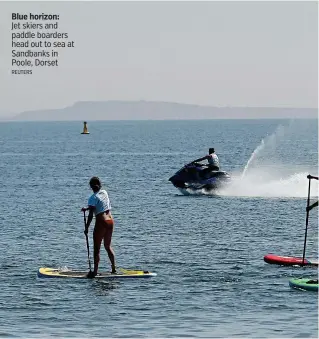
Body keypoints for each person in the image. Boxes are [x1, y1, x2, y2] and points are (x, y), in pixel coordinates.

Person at [81, 176, 116, 278]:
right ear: (100, 185)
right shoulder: (104, 192)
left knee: (97, 248)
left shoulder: (92, 198)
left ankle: (94, 272)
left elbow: (91, 215)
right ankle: (113, 268)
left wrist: (87, 228)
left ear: (91, 187)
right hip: (110, 221)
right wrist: (87, 208)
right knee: (107, 246)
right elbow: (98, 204)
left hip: (101, 221)